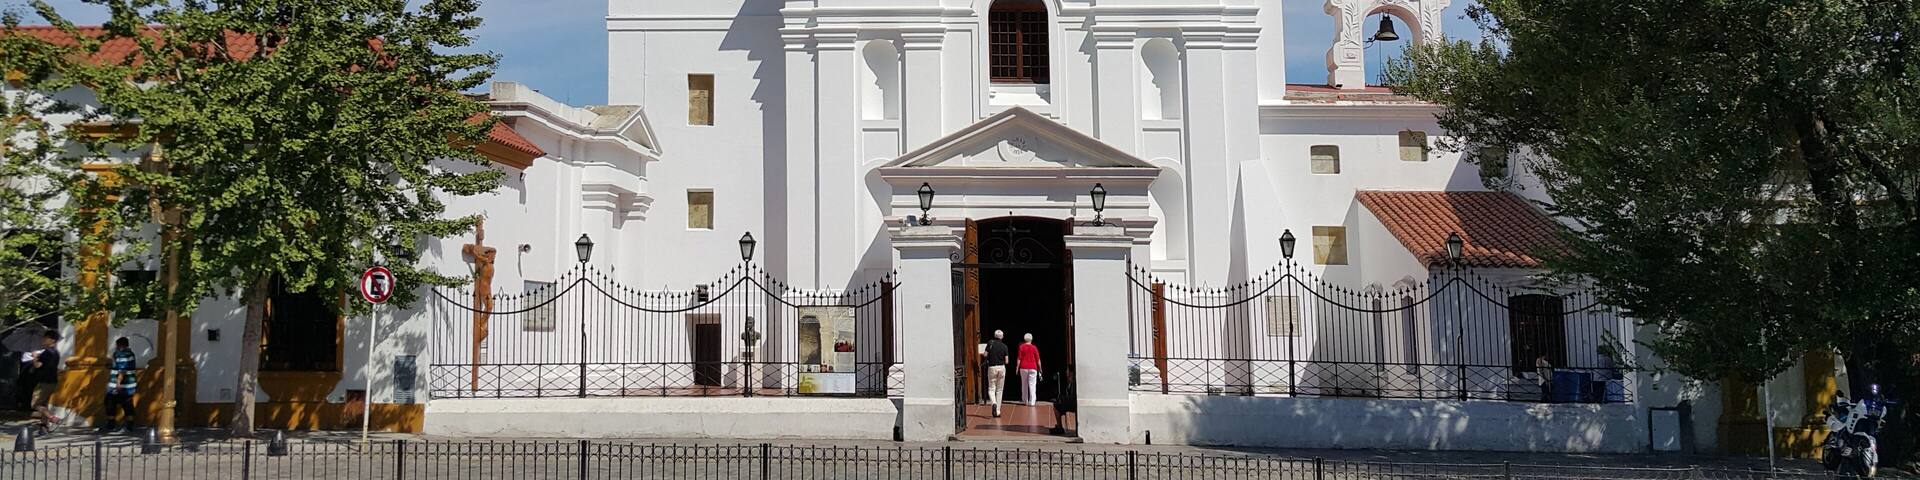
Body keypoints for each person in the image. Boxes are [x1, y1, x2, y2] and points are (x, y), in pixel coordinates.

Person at [100, 337, 138, 433]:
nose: (116, 347)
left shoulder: (122, 354)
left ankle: (111, 425)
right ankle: (129, 425)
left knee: (110, 403)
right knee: (127, 405)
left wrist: (118, 383)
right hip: (129, 385)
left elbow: (122, 370)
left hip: (121, 386)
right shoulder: (130, 353)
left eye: (117, 345)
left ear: (120, 345)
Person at [30, 331, 61, 431]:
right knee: (44, 404)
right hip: (53, 381)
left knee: (35, 404)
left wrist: (34, 358)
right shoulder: (55, 352)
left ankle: (53, 418)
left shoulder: (47, 352)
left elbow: (38, 365)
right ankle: (44, 426)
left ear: (52, 340)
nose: (43, 340)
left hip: (44, 382)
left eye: (45, 338)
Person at [981, 330, 1009, 417]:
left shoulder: (990, 343)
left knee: (991, 388)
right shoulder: (1005, 346)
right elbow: (1007, 361)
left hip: (992, 367)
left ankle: (993, 403)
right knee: (999, 390)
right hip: (1001, 368)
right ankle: (997, 411)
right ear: (1002, 337)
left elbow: (985, 355)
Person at [1050, 366, 1077, 436]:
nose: (1066, 372)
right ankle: (1059, 426)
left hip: (1073, 403)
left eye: (1067, 371)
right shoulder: (1070, 381)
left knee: (1056, 405)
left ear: (1071, 372)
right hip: (1072, 401)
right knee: (1058, 402)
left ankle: (1059, 427)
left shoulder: (1074, 382)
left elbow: (1072, 396)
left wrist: (1062, 399)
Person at [1017, 333, 1041, 406]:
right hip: (1033, 367)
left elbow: (1019, 358)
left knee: (1024, 384)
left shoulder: (1021, 347)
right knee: (1032, 384)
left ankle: (1025, 400)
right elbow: (1038, 359)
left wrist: (1017, 367)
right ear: (1031, 339)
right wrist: (1040, 368)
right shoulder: (1034, 347)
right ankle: (1032, 401)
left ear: (1024, 339)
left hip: (1023, 367)